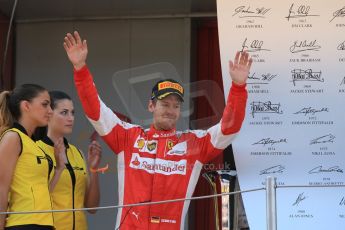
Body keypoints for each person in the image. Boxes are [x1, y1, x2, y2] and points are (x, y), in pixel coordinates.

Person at [63, 31, 252, 230]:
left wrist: (238, 87)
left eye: (176, 106)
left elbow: (229, 128)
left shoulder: (193, 144)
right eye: (165, 104)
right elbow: (95, 111)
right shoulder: (128, 137)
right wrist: (80, 68)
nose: (171, 111)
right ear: (151, 106)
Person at [35, 90, 102, 230]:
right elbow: (35, 202)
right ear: (48, 114)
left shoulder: (78, 153)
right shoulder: (35, 151)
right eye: (64, 112)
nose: (71, 118)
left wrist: (93, 170)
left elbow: (92, 208)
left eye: (72, 113)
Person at [0, 84, 54, 230]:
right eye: (45, 105)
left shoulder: (33, 143)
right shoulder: (13, 137)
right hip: (22, 224)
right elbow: (1, 187)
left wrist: (60, 167)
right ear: (26, 106)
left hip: (45, 224)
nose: (50, 111)